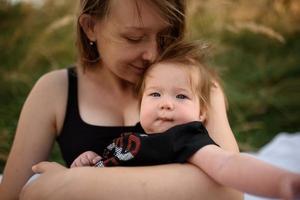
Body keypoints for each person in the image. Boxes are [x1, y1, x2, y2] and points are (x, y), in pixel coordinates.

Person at [1, 0, 242, 200]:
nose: (153, 54)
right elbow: (14, 193)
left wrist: (75, 185)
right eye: (134, 38)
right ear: (90, 27)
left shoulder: (197, 89)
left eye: (165, 37)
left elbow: (230, 190)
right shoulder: (56, 90)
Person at [70, 42, 300, 199]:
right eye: (155, 94)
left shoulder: (186, 138)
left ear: (202, 114)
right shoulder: (133, 135)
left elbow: (227, 164)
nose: (166, 103)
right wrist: (91, 160)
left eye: (181, 96)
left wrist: (284, 183)